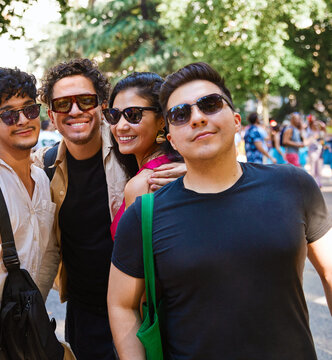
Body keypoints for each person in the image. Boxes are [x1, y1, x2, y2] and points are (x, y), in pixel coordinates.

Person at [0, 59, 186, 360]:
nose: (76, 110)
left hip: (141, 311)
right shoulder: (44, 167)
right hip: (82, 317)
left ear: (102, 107)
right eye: (63, 104)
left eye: (86, 101)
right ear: (52, 114)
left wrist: (190, 166)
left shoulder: (131, 149)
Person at [108, 62, 332, 360]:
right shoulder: (144, 213)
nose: (197, 118)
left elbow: (330, 272)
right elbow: (121, 305)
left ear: (236, 120)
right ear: (171, 137)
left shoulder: (293, 185)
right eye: (180, 114)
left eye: (210, 105)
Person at [0, 67, 68, 359]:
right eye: (9, 115)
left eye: (30, 109)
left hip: (26, 326)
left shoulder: (43, 178)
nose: (23, 120)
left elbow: (45, 255)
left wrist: (35, 311)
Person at [104, 72, 181, 240]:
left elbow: (136, 262)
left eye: (133, 115)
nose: (121, 126)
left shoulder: (145, 184)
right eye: (115, 115)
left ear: (162, 120)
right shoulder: (178, 168)